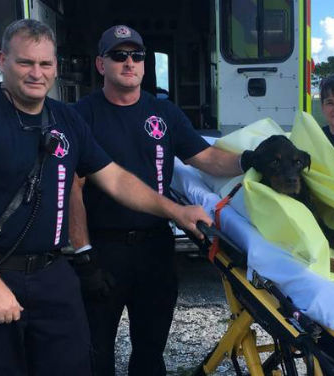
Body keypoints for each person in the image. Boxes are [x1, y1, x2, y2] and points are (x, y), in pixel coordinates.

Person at [0, 19, 211, 375]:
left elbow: (115, 180)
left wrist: (177, 211)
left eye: (45, 64)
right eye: (25, 63)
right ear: (3, 61)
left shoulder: (67, 119)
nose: (37, 73)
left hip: (53, 274)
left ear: (55, 67)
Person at [69, 25, 243, 376]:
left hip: (155, 248)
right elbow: (72, 187)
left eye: (137, 55)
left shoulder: (164, 113)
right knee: (95, 350)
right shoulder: (81, 115)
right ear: (101, 65)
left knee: (150, 350)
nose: (129, 62)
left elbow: (207, 159)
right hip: (104, 248)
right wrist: (83, 254)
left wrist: (250, 160)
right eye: (119, 55)